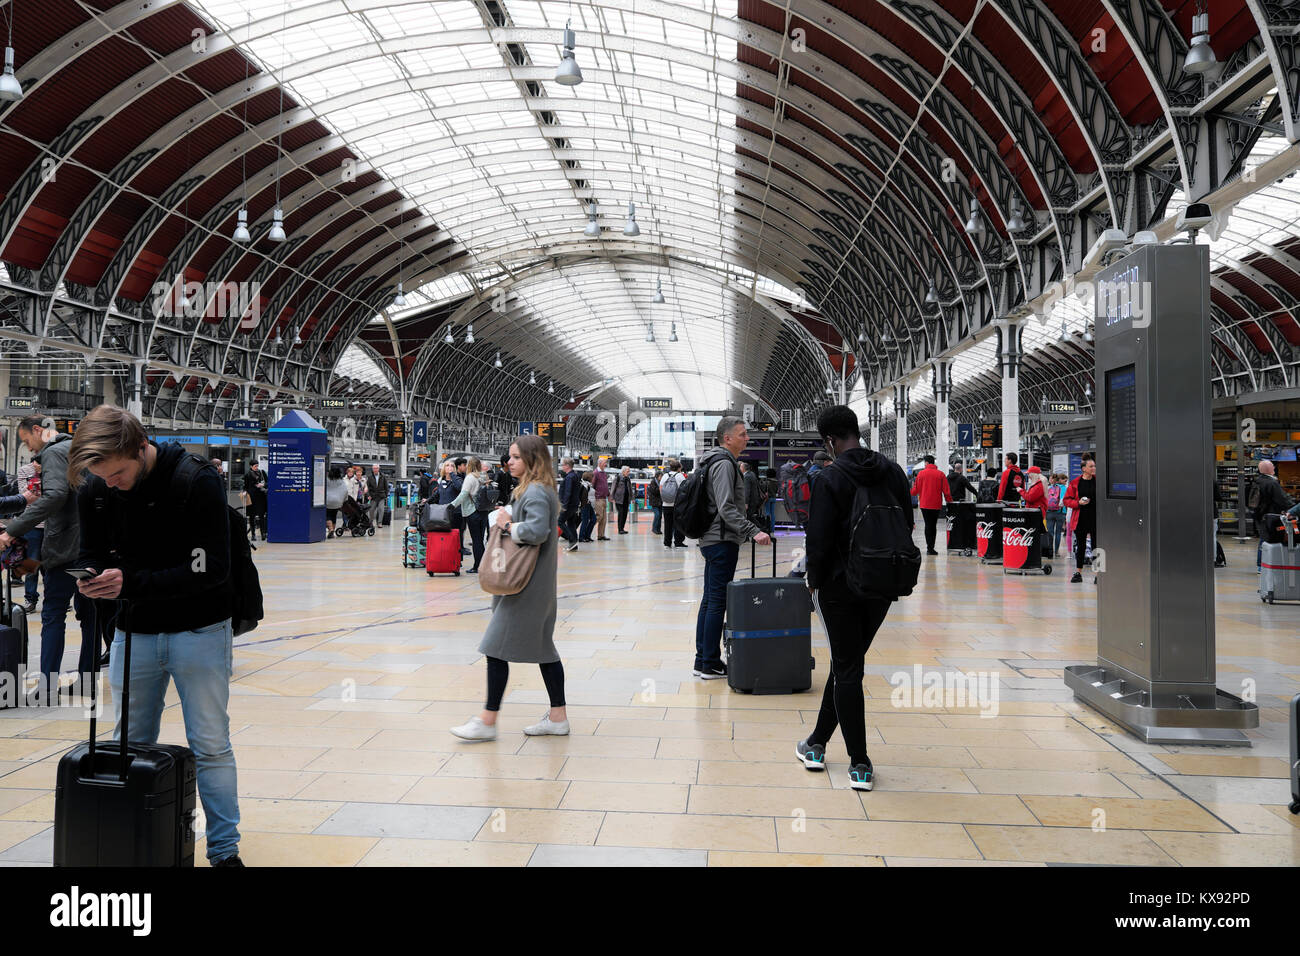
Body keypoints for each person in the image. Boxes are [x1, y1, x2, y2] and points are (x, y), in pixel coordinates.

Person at [68, 405, 243, 867]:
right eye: (100, 476)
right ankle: (132, 841)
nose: (110, 483)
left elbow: (211, 569)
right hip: (133, 632)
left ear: (141, 448)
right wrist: (90, 579)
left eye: (118, 473)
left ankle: (224, 851)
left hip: (200, 629)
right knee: (129, 742)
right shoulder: (96, 489)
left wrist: (132, 583)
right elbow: (91, 551)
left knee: (210, 744)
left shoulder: (195, 479)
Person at [798, 405, 912, 792]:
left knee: (848, 668)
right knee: (848, 664)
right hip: (882, 583)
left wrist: (813, 579)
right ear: (856, 432)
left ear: (829, 441)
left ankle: (859, 762)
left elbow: (820, 538)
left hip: (839, 586)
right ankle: (815, 743)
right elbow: (907, 524)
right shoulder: (893, 471)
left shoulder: (830, 476)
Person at [451, 434, 568, 742]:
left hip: (525, 588)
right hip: (534, 585)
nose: (509, 462)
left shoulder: (535, 492)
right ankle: (558, 717)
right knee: (544, 650)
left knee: (494, 647)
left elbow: (538, 531)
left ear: (531, 459)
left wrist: (506, 524)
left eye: (516, 457)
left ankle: (487, 721)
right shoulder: (536, 490)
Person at [0, 417, 94, 701]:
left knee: (53, 615)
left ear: (38, 431)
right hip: (92, 548)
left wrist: (13, 530)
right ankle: (87, 680)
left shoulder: (54, 452)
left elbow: (54, 496)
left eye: (27, 440)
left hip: (65, 548)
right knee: (90, 617)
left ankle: (48, 685)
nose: (28, 449)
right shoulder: (79, 449)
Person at [693, 418, 772, 679]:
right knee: (716, 602)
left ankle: (702, 659)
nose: (747, 438)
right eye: (742, 434)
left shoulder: (713, 461)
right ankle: (710, 664)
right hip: (721, 540)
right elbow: (726, 508)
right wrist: (754, 531)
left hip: (712, 538)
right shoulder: (724, 465)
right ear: (727, 438)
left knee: (709, 601)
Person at [1250, 459, 1294, 572]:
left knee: (1263, 538)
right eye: (1273, 467)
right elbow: (1283, 500)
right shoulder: (1272, 483)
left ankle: (1260, 564)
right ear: (1269, 469)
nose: (1274, 469)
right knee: (1270, 539)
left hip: (1260, 515)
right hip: (1272, 516)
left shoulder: (1256, 481)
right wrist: (1293, 509)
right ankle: (1267, 563)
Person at [450, 456, 488, 573]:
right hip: (483, 511)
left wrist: (451, 505)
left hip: (473, 512)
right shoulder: (484, 476)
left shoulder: (470, 478)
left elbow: (463, 494)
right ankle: (482, 564)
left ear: (470, 466)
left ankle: (477, 566)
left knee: (476, 540)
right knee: (480, 540)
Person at [910, 454, 952, 555]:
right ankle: (931, 548)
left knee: (928, 525)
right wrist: (949, 502)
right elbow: (946, 491)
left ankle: (929, 548)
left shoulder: (921, 474)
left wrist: (909, 492)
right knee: (933, 525)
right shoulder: (940, 474)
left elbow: (915, 491)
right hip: (936, 505)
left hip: (924, 505)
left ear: (927, 463)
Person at [1064, 455, 1097, 583]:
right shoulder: (1075, 483)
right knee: (1081, 546)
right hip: (1080, 518)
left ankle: (1098, 575)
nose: (1094, 468)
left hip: (1096, 518)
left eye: (1094, 466)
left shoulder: (1098, 481)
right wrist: (1078, 503)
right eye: (1091, 466)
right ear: (1084, 468)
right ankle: (1078, 573)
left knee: (1097, 546)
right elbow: (1067, 500)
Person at [659, 459, 687, 549]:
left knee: (667, 525)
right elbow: (684, 490)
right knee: (678, 524)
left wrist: (665, 498)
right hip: (677, 505)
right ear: (679, 468)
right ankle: (678, 542)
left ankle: (667, 543)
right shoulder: (680, 476)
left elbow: (661, 489)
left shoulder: (665, 476)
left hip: (666, 504)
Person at [556, 457, 581, 552]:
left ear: (567, 466)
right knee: (571, 523)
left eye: (563, 465)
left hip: (568, 505)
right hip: (573, 504)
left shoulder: (569, 477)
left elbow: (568, 492)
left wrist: (564, 506)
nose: (562, 466)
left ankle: (572, 540)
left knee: (560, 521)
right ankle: (573, 544)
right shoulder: (574, 475)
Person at [242, 459, 268, 541]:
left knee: (261, 516)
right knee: (252, 516)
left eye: (257, 465)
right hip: (251, 497)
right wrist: (244, 492)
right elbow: (245, 486)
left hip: (261, 497)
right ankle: (253, 534)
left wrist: (263, 484)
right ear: (251, 466)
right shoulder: (247, 475)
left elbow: (267, 483)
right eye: (255, 466)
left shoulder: (262, 472)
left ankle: (263, 533)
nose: (257, 467)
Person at [1044, 472, 1068, 559]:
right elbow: (1063, 500)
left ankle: (1050, 551)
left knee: (1050, 532)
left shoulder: (1049, 487)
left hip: (1049, 512)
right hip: (1060, 513)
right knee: (1058, 532)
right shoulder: (1063, 488)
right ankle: (1056, 551)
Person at [365, 464, 389, 530]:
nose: (375, 470)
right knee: (371, 510)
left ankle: (379, 523)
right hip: (373, 496)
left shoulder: (383, 476)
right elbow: (367, 487)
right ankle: (370, 522)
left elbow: (386, 487)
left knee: (381, 510)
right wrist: (368, 495)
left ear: (379, 469)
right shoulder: (370, 477)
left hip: (381, 496)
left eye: (376, 468)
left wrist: (386, 495)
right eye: (374, 468)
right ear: (372, 469)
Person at [592, 458, 611, 541]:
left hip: (604, 498)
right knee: (599, 517)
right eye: (604, 463)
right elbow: (593, 485)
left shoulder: (603, 473)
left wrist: (608, 494)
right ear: (599, 463)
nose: (605, 464)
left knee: (603, 519)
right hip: (598, 498)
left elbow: (605, 485)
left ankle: (601, 535)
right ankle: (587, 530)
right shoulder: (596, 473)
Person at [324, 467, 347, 534]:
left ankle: (331, 529)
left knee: (327, 516)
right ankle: (332, 531)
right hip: (338, 502)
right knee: (334, 515)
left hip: (328, 501)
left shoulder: (327, 480)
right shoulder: (341, 481)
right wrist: (344, 499)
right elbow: (345, 490)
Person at [611, 465, 633, 534]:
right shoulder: (617, 478)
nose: (629, 472)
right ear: (623, 471)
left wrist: (632, 498)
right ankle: (620, 529)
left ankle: (622, 528)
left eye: (629, 471)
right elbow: (613, 488)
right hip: (619, 499)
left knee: (625, 514)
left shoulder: (628, 479)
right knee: (621, 513)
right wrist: (612, 497)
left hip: (626, 499)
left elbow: (630, 489)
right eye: (627, 471)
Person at [578, 472, 597, 543]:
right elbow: (583, 496)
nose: (593, 479)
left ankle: (587, 536)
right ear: (589, 478)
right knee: (585, 521)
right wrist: (585, 502)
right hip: (585, 505)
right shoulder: (584, 485)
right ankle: (581, 537)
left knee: (593, 519)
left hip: (589, 505)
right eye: (592, 477)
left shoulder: (589, 485)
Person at [647, 467, 663, 535]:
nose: (661, 477)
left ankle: (658, 529)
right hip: (654, 502)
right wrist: (660, 488)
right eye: (660, 476)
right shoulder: (653, 482)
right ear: (657, 476)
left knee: (660, 516)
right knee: (657, 515)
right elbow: (654, 491)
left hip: (660, 502)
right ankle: (654, 529)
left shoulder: (661, 482)